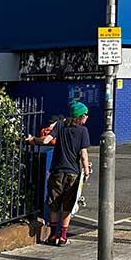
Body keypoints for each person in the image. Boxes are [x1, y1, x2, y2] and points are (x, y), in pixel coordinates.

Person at [26, 99, 92, 246]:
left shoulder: (60, 125)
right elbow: (83, 154)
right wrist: (86, 171)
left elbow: (45, 140)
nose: (87, 117)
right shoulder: (83, 131)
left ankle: (51, 236)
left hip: (57, 171)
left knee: (55, 203)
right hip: (73, 173)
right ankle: (62, 236)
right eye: (86, 114)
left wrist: (32, 140)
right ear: (81, 116)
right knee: (68, 205)